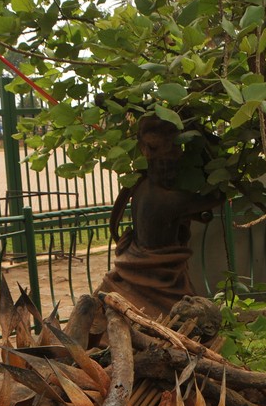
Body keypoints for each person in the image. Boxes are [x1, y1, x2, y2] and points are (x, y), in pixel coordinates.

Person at [95, 117, 223, 316]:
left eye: (173, 163)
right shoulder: (167, 200)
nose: (170, 170)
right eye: (166, 163)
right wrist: (201, 141)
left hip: (138, 266)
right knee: (187, 318)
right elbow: (218, 195)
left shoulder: (140, 183)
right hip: (157, 278)